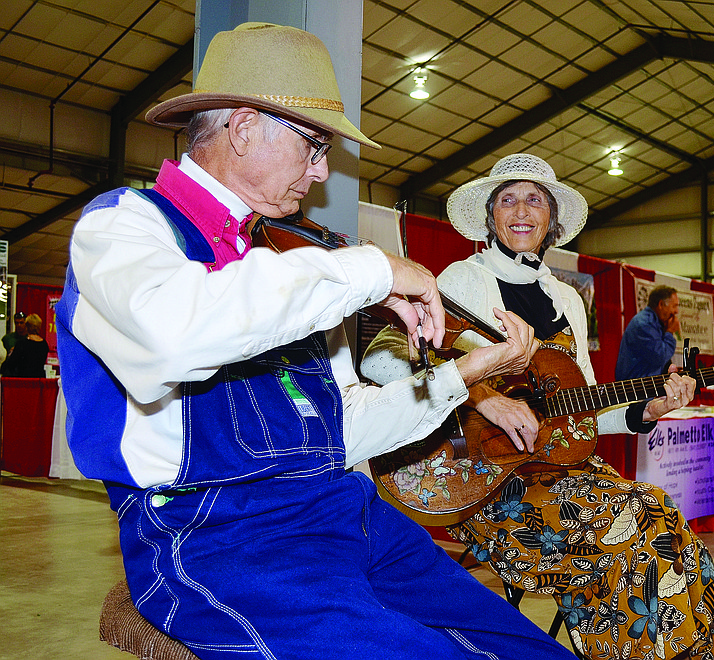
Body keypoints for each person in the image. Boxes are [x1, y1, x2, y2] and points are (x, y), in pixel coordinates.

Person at [55, 23, 580, 660]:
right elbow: (174, 334)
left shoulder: (287, 263)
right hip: (218, 534)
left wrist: (468, 370)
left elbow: (341, 429)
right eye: (314, 146)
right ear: (245, 129)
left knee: (527, 649)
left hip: (339, 508)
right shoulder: (122, 225)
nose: (323, 170)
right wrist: (374, 269)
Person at [362, 153, 714, 660]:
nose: (521, 210)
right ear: (490, 217)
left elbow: (584, 409)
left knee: (675, 537)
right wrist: (483, 398)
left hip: (561, 469)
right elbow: (382, 357)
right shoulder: (462, 280)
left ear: (551, 219)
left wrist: (649, 407)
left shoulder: (567, 300)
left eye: (535, 199)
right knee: (634, 530)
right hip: (485, 480)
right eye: (507, 199)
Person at [615, 285, 679, 381]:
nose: (676, 311)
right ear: (661, 304)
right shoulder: (644, 324)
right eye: (674, 306)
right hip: (636, 389)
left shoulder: (655, 323)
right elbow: (660, 357)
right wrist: (669, 332)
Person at [1, 313, 49, 377]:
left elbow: (11, 364)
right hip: (39, 380)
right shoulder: (44, 344)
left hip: (23, 380)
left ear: (27, 327)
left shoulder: (22, 344)